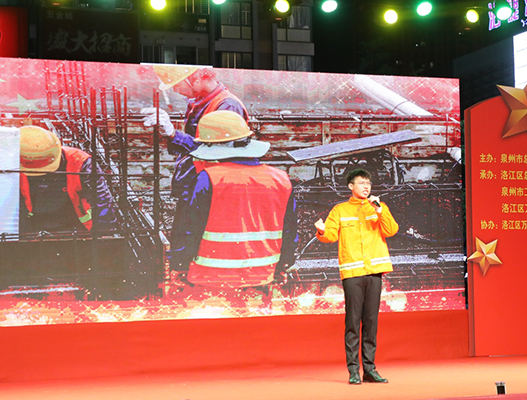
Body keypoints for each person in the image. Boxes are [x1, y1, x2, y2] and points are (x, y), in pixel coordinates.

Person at [140, 65, 250, 280]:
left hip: (211, 187)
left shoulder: (227, 106)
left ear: (197, 77)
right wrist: (170, 135)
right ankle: (182, 273)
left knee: (195, 238)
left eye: (177, 84)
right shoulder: (200, 101)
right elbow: (196, 143)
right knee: (183, 236)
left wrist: (174, 134)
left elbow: (219, 151)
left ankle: (190, 278)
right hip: (196, 181)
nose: (175, 89)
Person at [171, 110, 297, 290]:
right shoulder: (281, 179)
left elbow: (191, 227)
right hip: (264, 275)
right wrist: (284, 264)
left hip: (210, 277)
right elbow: (290, 230)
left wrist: (179, 264)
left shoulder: (210, 178)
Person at [314, 168, 398, 385]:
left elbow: (391, 230)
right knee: (353, 322)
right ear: (351, 186)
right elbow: (330, 235)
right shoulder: (340, 210)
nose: (366, 186)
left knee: (371, 321)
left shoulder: (377, 207)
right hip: (352, 272)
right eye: (361, 183)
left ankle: (370, 369)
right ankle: (353, 371)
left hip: (374, 271)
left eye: (368, 183)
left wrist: (380, 210)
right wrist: (321, 230)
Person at [18, 125, 116, 233]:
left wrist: (105, 234)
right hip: (33, 225)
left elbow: (102, 201)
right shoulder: (12, 166)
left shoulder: (80, 162)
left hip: (74, 226)